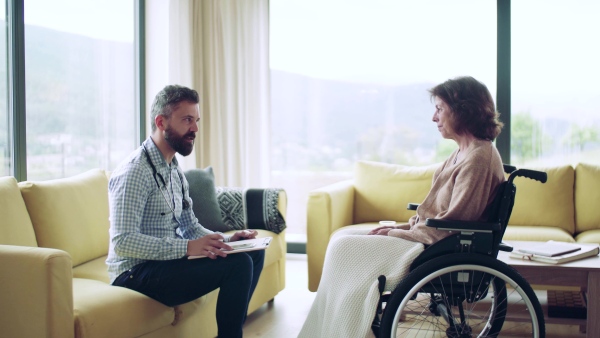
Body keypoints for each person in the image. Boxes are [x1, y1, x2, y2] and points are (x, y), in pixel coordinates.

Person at [298, 76, 506, 338]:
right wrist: (400, 228)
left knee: (343, 246)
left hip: (438, 247)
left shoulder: (478, 158)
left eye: (440, 108)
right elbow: (440, 216)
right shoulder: (463, 152)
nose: (434, 117)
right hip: (433, 240)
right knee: (341, 237)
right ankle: (332, 328)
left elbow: (456, 223)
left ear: (462, 110)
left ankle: (340, 329)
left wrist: (399, 234)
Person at [106, 84, 264, 338]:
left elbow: (190, 226)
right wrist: (188, 248)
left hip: (166, 263)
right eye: (187, 120)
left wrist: (225, 241)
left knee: (252, 253)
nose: (195, 129)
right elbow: (123, 242)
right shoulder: (135, 172)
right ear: (161, 122)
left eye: (196, 120)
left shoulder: (173, 167)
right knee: (238, 266)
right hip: (134, 272)